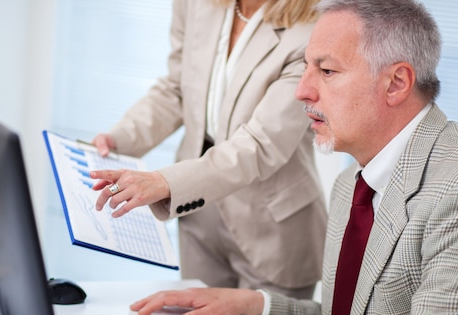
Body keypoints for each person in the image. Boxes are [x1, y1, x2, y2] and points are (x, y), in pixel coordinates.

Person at [126, 0, 458, 315]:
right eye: (306, 68)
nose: (302, 90)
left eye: (326, 71)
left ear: (396, 83)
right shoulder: (351, 182)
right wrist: (254, 305)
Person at [89, 0, 328, 299]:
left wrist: (165, 182)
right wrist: (119, 140)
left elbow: (260, 143)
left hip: (271, 221)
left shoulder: (314, 28)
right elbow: (178, 89)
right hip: (198, 207)